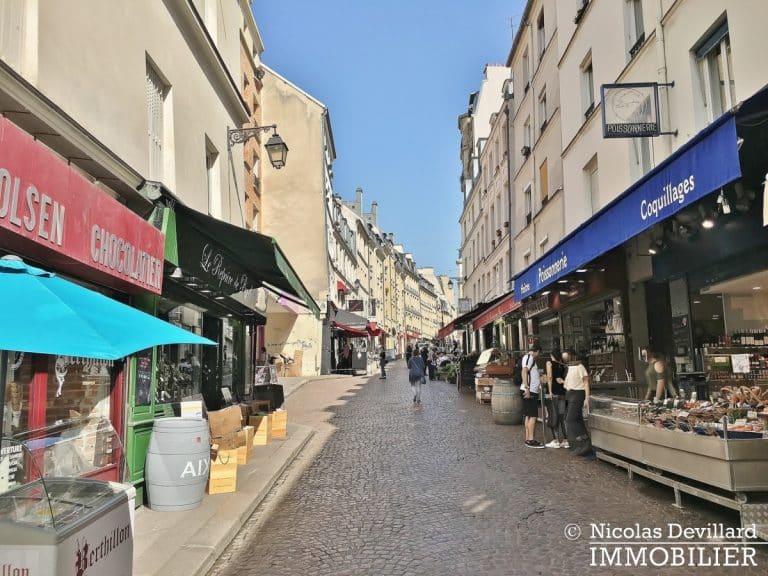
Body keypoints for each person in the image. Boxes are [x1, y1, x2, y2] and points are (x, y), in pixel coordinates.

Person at [563, 349, 592, 457]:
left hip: (578, 394)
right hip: (571, 394)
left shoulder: (580, 367)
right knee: (577, 419)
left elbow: (586, 382)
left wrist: (587, 398)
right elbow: (568, 383)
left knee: (570, 420)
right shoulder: (570, 367)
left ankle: (585, 441)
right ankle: (583, 444)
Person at [520, 344, 544, 448]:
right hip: (530, 391)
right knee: (533, 416)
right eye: (539, 353)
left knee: (528, 415)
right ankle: (530, 440)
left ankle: (528, 438)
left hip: (530, 390)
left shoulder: (528, 358)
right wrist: (527, 388)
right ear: (537, 351)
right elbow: (524, 371)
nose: (539, 355)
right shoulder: (529, 358)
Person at [545, 349, 568, 449]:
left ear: (552, 355)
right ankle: (566, 440)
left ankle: (556, 441)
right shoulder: (562, 364)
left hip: (554, 392)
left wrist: (550, 391)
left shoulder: (549, 363)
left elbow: (549, 377)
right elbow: (561, 378)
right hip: (562, 392)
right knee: (562, 416)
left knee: (553, 415)